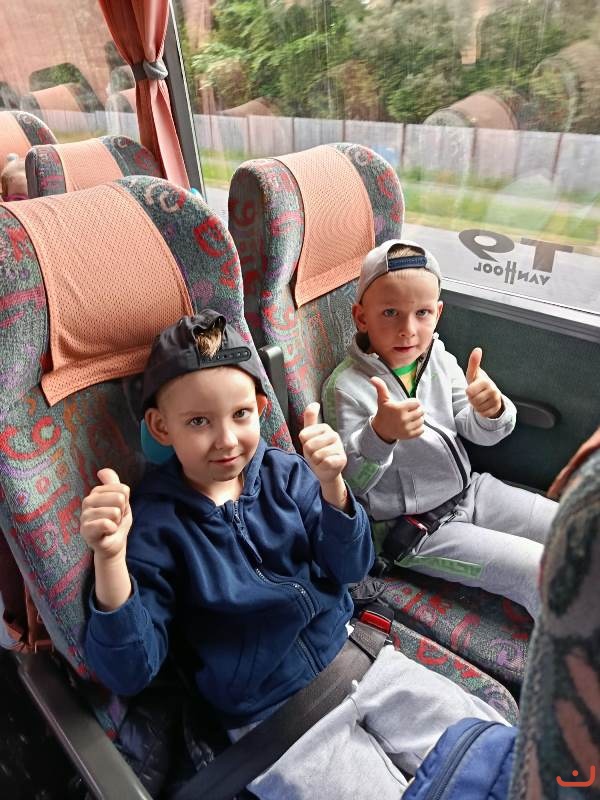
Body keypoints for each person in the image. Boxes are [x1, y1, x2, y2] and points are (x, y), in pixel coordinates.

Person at [81, 309, 506, 800]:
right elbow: (130, 670)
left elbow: (352, 568)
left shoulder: (285, 474)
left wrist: (333, 488)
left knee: (494, 753)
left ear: (260, 408)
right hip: (275, 724)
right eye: (198, 421)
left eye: (241, 415)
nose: (226, 440)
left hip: (362, 661)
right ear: (160, 427)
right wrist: (110, 559)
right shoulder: (155, 526)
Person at [322, 239, 558, 619]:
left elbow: (476, 430)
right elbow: (349, 485)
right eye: (390, 313)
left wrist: (492, 410)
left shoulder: (437, 358)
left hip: (469, 491)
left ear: (438, 312)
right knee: (540, 570)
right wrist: (380, 435)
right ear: (362, 318)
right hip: (416, 531)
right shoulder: (345, 387)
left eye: (422, 313)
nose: (408, 330)